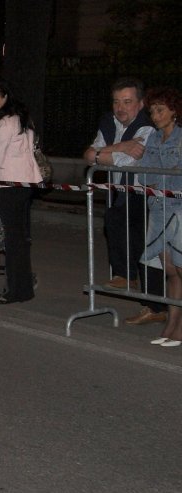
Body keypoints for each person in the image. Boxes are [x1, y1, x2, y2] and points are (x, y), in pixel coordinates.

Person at [83, 79, 162, 324]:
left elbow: (128, 161)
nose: (120, 108)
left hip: (145, 194)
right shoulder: (108, 122)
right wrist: (120, 146)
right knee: (124, 231)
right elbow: (88, 156)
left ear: (140, 104)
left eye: (127, 102)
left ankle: (152, 301)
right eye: (117, 102)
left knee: (148, 250)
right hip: (121, 192)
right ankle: (147, 299)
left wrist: (103, 153)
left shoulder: (146, 127)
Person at [0, 80, 42, 304]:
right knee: (20, 239)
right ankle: (23, 289)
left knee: (14, 240)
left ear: (5, 97)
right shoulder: (22, 121)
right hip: (24, 185)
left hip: (10, 185)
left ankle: (16, 291)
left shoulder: (6, 123)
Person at [136, 87, 182, 347]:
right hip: (158, 208)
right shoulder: (153, 138)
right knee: (171, 272)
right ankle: (171, 324)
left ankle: (180, 327)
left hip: (179, 209)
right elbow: (145, 176)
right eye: (152, 110)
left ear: (173, 111)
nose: (154, 115)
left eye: (160, 110)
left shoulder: (181, 138)